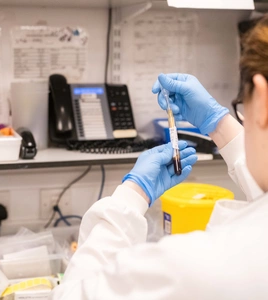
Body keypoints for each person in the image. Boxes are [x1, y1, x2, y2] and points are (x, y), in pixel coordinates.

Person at [51, 16, 268, 300]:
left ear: (262, 103)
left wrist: (132, 193)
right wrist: (218, 123)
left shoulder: (194, 267)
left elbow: (72, 294)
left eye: (242, 108)